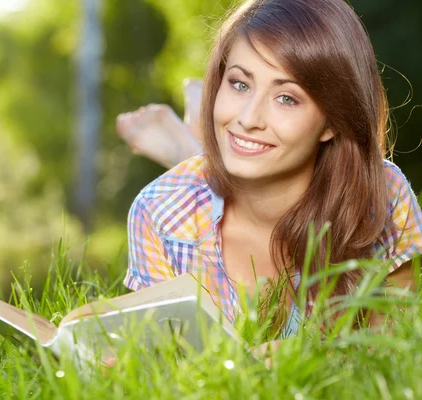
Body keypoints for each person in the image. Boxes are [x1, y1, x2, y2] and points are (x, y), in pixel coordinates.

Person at [119, 0, 422, 340]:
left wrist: (313, 360)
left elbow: (391, 354)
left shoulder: (383, 196)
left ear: (332, 122)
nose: (248, 118)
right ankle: (191, 145)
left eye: (287, 98)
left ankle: (186, 144)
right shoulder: (162, 213)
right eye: (239, 84)